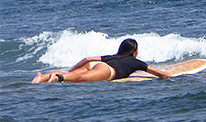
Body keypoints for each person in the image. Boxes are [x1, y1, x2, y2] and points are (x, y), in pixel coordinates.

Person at [31, 38, 172, 83]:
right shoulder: (136, 62)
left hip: (101, 65)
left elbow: (88, 59)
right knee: (82, 78)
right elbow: (159, 73)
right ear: (134, 52)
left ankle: (42, 77)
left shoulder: (115, 56)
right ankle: (59, 77)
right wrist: (175, 77)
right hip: (107, 71)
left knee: (80, 74)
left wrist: (70, 70)